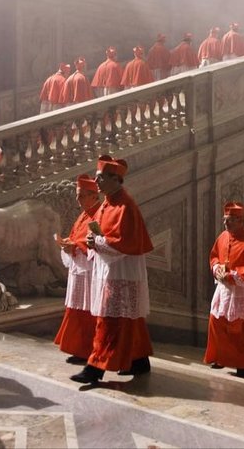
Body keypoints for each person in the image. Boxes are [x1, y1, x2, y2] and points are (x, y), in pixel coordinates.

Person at [70, 155, 154, 384]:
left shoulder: (125, 204)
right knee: (128, 318)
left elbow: (123, 242)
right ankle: (139, 361)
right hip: (110, 268)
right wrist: (92, 240)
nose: (96, 183)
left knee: (110, 319)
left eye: (100, 178)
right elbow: (101, 233)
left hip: (121, 270)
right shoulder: (108, 202)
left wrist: (96, 242)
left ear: (115, 179)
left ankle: (95, 368)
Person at [204, 201, 244, 379]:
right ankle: (221, 357)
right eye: (225, 220)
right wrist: (217, 269)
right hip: (225, 288)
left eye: (230, 220)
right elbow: (215, 256)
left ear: (241, 220)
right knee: (217, 322)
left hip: (243, 292)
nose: (225, 224)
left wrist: (232, 277)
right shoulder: (223, 236)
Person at [54, 174, 101, 364]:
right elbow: (77, 235)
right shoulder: (84, 213)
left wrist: (75, 245)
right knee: (77, 309)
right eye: (77, 195)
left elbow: (97, 239)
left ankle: (87, 350)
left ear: (93, 196)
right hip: (79, 268)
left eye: (81, 195)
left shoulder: (99, 213)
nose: (77, 200)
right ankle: (78, 348)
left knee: (89, 311)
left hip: (91, 270)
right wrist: (67, 242)